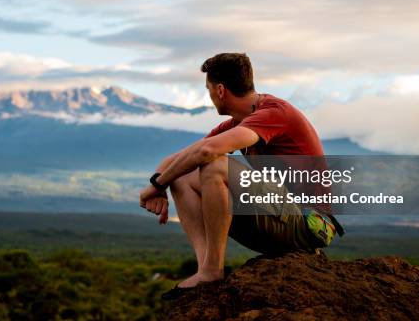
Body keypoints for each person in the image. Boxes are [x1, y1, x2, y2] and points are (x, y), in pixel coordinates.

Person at [138, 53, 341, 301]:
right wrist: (158, 184)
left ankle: (212, 271)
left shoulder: (274, 113)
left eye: (209, 89)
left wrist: (158, 184)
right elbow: (179, 158)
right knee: (181, 175)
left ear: (220, 90)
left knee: (214, 165)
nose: (210, 96)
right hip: (278, 219)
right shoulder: (239, 122)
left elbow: (207, 151)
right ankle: (206, 270)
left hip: (309, 225)